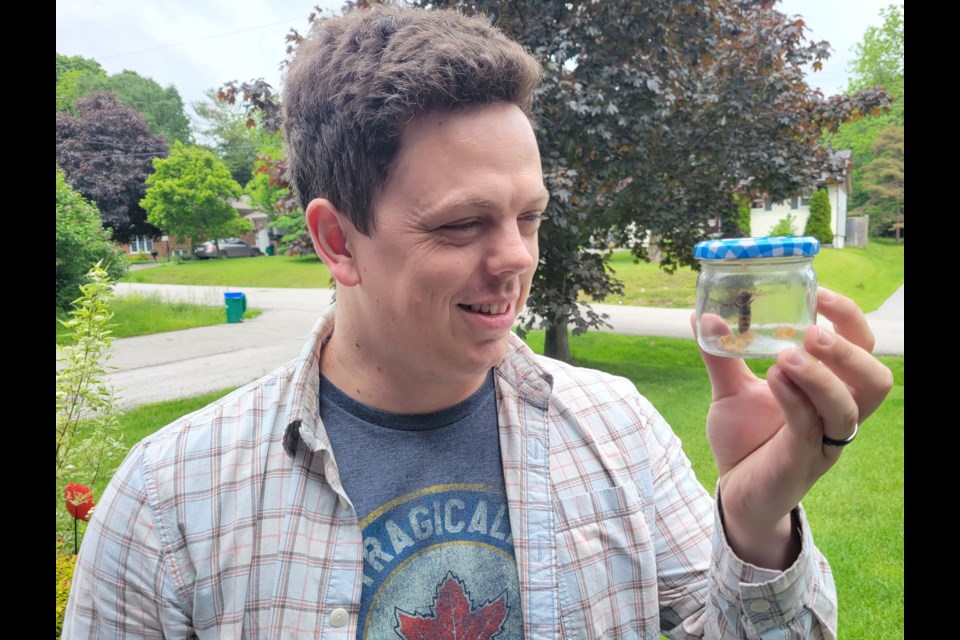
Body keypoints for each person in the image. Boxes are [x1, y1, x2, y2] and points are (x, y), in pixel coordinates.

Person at [63, 5, 893, 639]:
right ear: (335, 239)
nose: (515, 260)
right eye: (462, 225)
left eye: (528, 218)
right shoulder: (170, 501)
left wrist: (755, 527)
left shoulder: (620, 433)